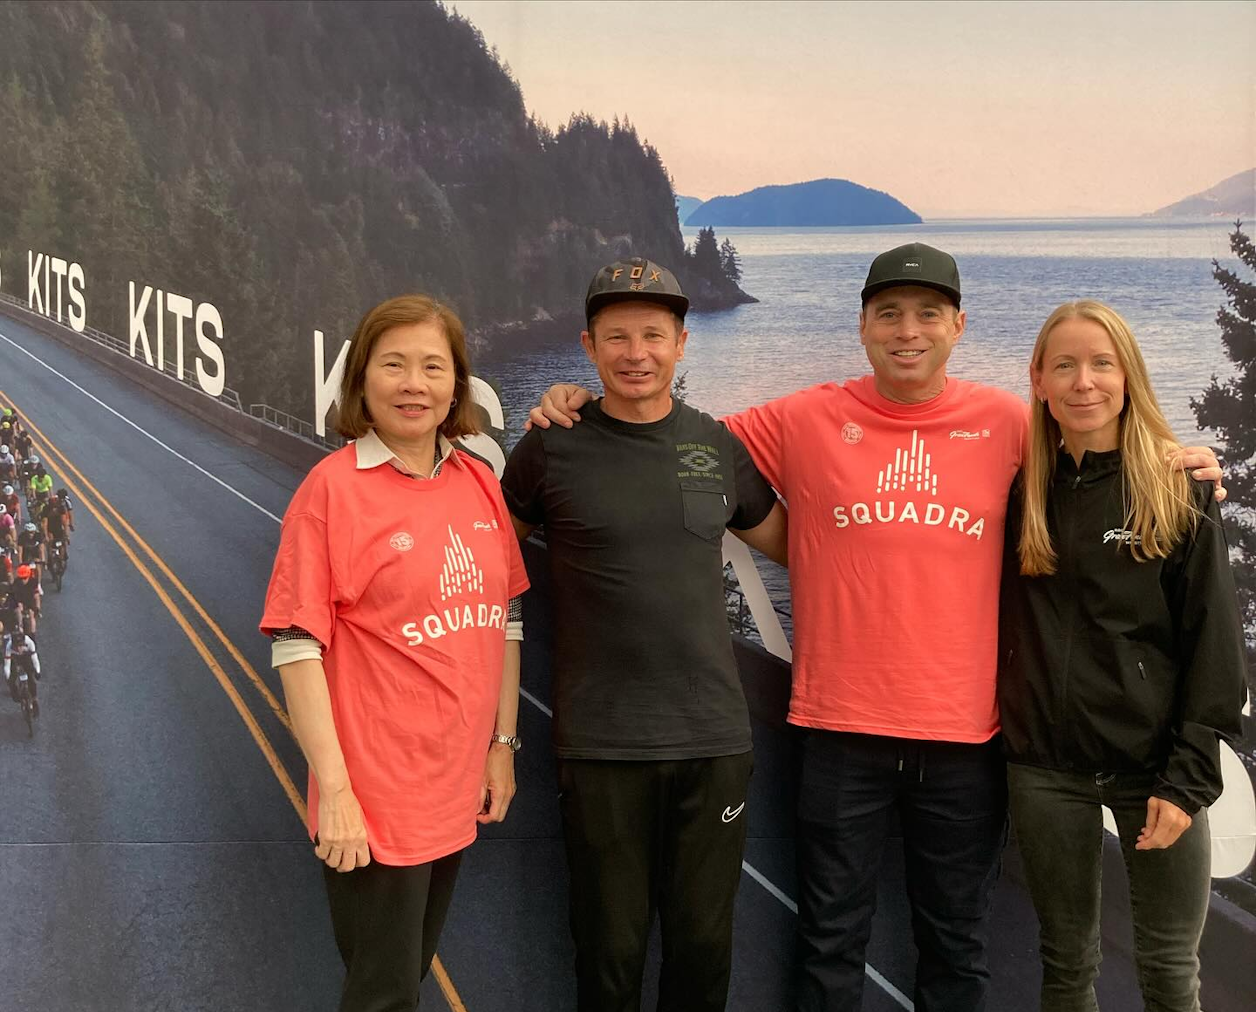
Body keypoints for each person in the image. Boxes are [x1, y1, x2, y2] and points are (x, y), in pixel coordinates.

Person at [529, 243, 1225, 1012]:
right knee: (829, 943)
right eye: (888, 313)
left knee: (957, 950)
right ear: (862, 326)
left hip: (967, 740)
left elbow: (1096, 447)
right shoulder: (803, 417)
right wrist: (575, 402)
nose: (908, 331)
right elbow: (666, 435)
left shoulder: (1006, 422)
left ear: (958, 325)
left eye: (929, 314)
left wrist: (1173, 455)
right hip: (837, 732)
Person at [501, 258, 787, 1012]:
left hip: (714, 742)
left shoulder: (716, 445)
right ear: (589, 346)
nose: (637, 353)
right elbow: (483, 553)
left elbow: (798, 543)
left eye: (654, 335)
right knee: (609, 951)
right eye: (618, 336)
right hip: (602, 744)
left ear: (682, 343)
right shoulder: (550, 446)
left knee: (702, 947)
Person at [259, 294, 530, 1012]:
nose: (415, 383)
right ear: (361, 382)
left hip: (453, 789)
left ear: (457, 385)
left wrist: (501, 745)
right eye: (395, 364)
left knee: (402, 978)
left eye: (433, 366)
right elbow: (296, 646)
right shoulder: (333, 491)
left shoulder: (477, 480)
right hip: (376, 798)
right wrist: (338, 795)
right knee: (382, 995)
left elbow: (503, 619)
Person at [998, 300, 1246, 1012]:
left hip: (1155, 768)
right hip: (1044, 769)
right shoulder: (1022, 493)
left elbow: (1215, 647)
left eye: (1102, 363)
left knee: (1169, 969)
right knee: (1067, 965)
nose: (1085, 382)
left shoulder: (1178, 491)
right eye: (1065, 365)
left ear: (1129, 376)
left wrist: (1188, 778)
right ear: (1038, 380)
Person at [5, 626, 41, 717]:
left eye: (21, 645)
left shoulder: (29, 642)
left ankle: (34, 699)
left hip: (26, 658)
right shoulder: (9, 646)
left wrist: (37, 671)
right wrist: (8, 677)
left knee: (31, 678)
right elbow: (7, 665)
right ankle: (16, 693)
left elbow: (35, 659)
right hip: (15, 659)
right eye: (16, 646)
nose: (19, 649)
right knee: (12, 678)